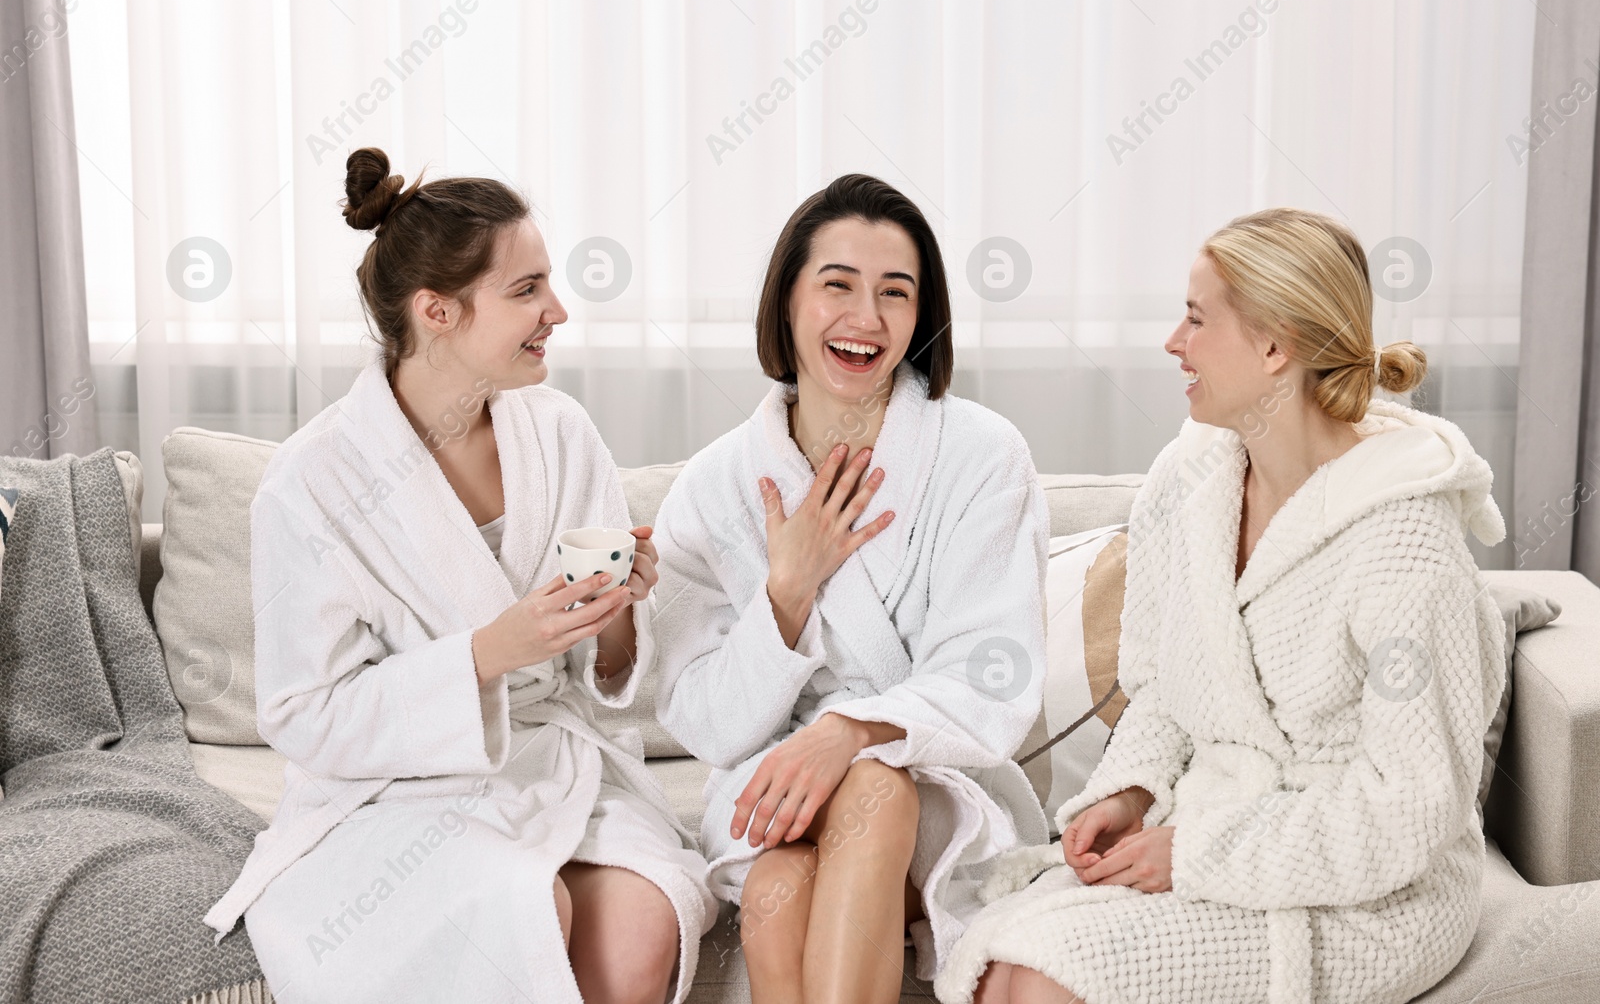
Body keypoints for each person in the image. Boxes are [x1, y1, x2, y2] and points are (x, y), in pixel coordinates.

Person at [936, 207, 1507, 1004]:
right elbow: (1164, 688)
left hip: (1369, 894)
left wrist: (1197, 852)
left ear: (1275, 347)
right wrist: (1128, 793)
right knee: (998, 965)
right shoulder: (1189, 479)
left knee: (1038, 978)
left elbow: (1411, 811)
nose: (1174, 341)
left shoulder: (1404, 535)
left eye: (1197, 319)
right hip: (1214, 827)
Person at [203, 147, 715, 1004]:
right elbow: (301, 714)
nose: (558, 310)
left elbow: (606, 671)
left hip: (553, 760)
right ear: (436, 310)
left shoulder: (559, 434)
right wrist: (484, 653)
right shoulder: (313, 480)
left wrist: (621, 605)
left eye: (548, 283)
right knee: (522, 903)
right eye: (526, 291)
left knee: (641, 926)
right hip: (395, 793)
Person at [651, 173, 1051, 1003]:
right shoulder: (718, 483)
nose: (865, 319)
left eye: (894, 293)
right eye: (837, 284)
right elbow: (701, 718)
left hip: (940, 784)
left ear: (921, 313)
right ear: (788, 298)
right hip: (776, 790)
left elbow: (994, 671)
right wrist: (786, 594)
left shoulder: (981, 454)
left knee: (874, 783)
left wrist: (850, 729)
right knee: (771, 890)